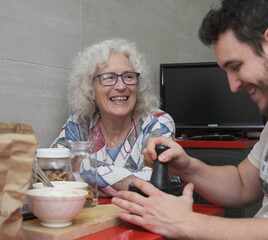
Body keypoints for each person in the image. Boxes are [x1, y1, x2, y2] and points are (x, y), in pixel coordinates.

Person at [111, 0, 268, 239]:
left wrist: (186, 222)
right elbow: (242, 184)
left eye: (236, 66)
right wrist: (185, 166)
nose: (232, 85)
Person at [52, 38, 177, 197]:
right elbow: (53, 165)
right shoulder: (80, 121)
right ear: (90, 88)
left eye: (129, 77)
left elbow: (155, 184)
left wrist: (82, 169)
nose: (121, 86)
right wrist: (121, 183)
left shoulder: (158, 122)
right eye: (109, 77)